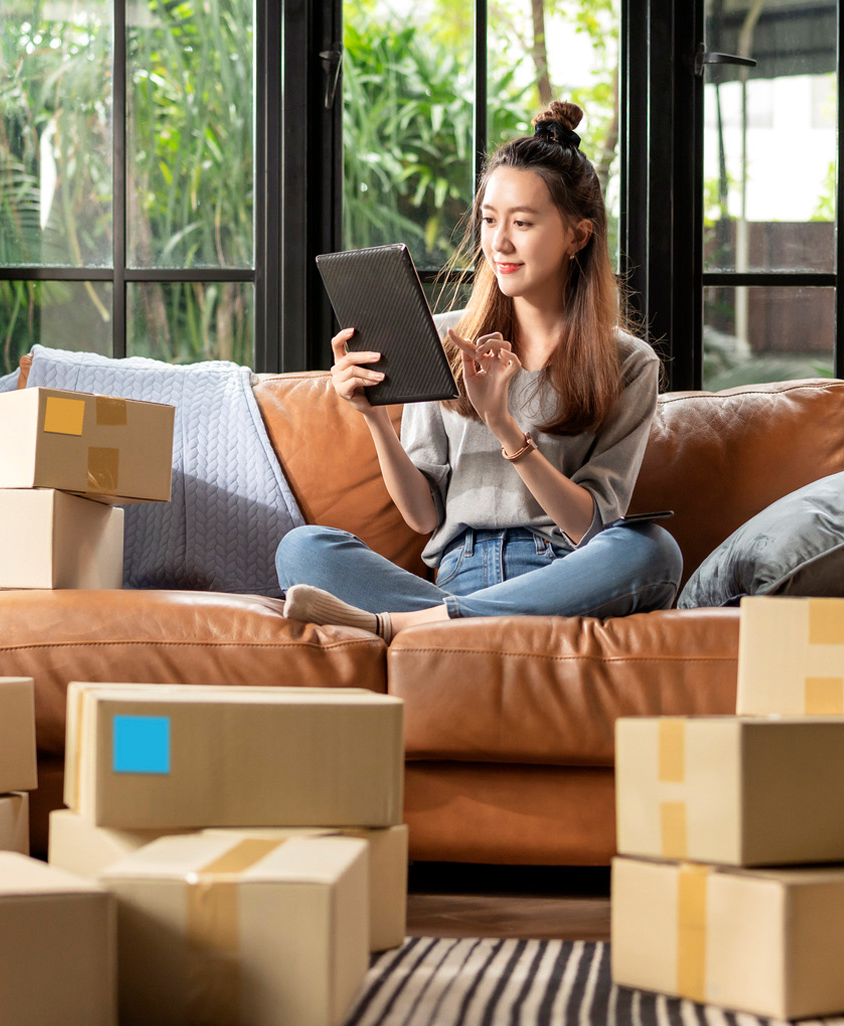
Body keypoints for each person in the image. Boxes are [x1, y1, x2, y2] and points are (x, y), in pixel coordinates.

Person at [276, 100, 682, 640]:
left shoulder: (628, 362)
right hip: (456, 570)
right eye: (490, 220)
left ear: (578, 237)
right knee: (302, 548)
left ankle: (415, 628)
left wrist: (503, 424)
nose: (500, 243)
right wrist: (374, 417)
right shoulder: (447, 338)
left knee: (652, 551)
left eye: (523, 223)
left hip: (558, 576)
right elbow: (424, 516)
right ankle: (454, 621)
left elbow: (590, 528)